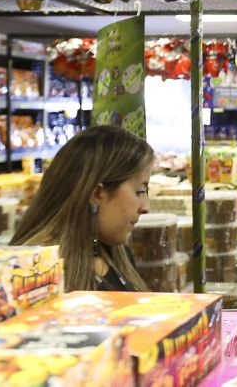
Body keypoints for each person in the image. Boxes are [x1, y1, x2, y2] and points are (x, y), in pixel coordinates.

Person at [12, 125, 153, 292]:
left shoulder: (116, 254)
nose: (146, 207)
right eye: (140, 191)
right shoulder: (36, 273)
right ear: (97, 193)